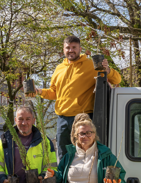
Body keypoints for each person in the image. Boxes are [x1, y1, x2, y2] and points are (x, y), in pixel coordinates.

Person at [37, 35, 122, 163]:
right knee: (63, 155)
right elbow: (54, 93)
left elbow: (117, 79)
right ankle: (64, 181)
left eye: (74, 47)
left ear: (80, 48)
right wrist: (39, 92)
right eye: (68, 48)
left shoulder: (90, 65)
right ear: (63, 49)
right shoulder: (59, 68)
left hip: (83, 118)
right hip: (62, 119)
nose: (71, 50)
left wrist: (108, 70)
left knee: (85, 154)